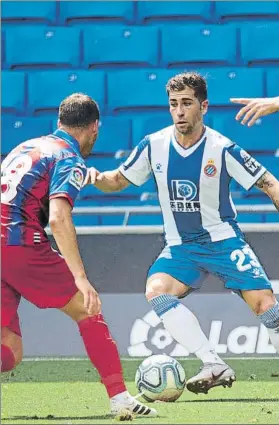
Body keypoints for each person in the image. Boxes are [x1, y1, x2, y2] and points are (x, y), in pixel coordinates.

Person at [86, 72, 279, 395]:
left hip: (223, 241)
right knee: (157, 290)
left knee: (266, 308)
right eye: (173, 104)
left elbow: (269, 184)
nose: (179, 111)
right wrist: (94, 177)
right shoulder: (154, 145)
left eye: (187, 103)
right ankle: (213, 363)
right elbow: (117, 180)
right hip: (181, 247)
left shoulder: (222, 148)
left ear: (203, 106)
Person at [1, 93, 157, 419]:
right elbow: (58, 217)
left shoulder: (27, 147)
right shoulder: (69, 159)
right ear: (94, 127)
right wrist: (81, 278)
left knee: (9, 352)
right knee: (89, 309)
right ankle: (120, 398)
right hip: (20, 246)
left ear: (60, 121)